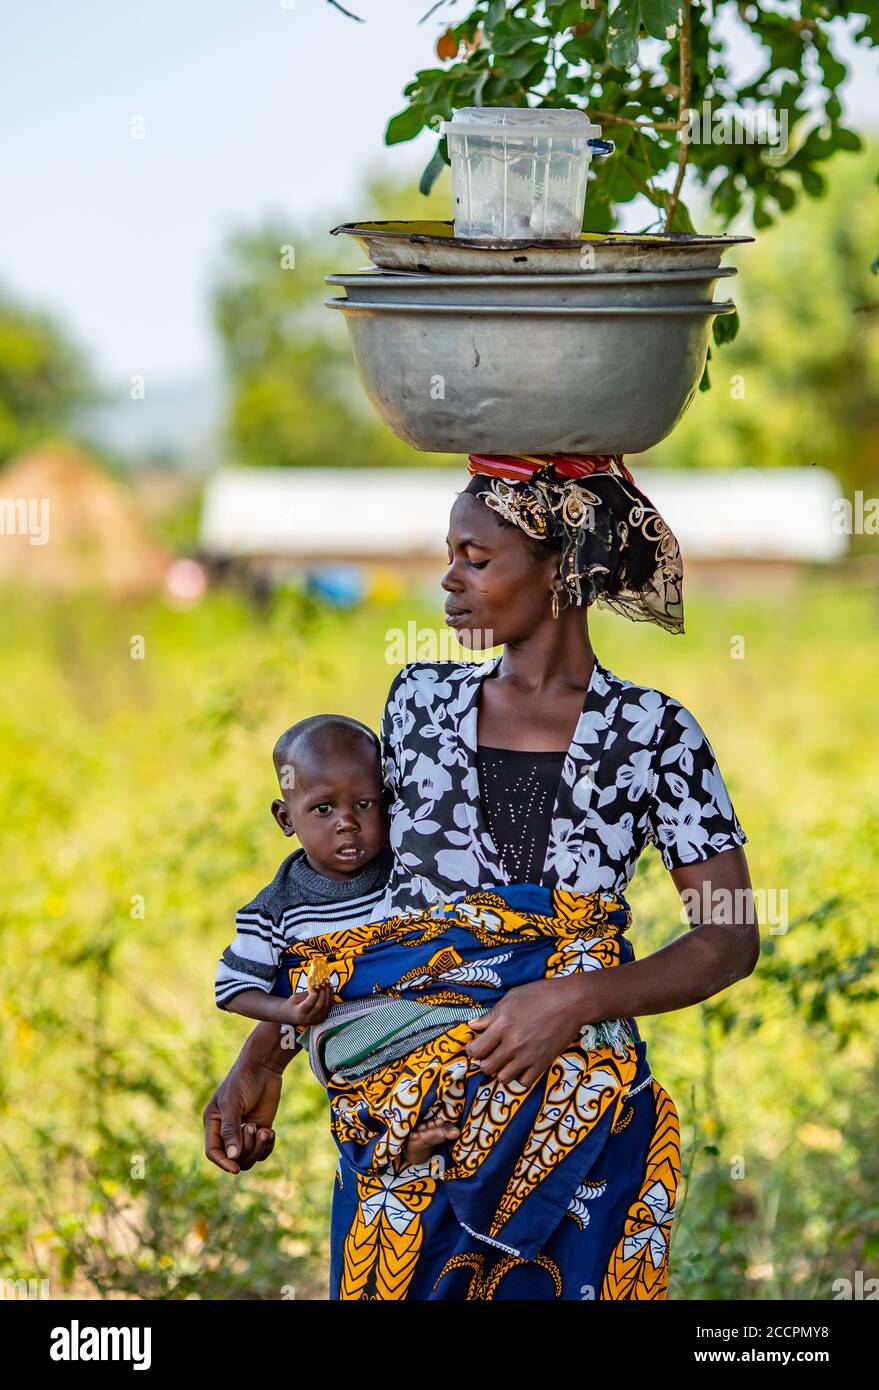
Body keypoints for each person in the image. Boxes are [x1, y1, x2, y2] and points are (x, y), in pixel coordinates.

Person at [203, 453, 760, 1300]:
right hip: (409, 1125)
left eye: (475, 558)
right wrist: (266, 1053)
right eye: (449, 556)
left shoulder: (652, 733)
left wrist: (572, 1000)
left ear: (561, 568)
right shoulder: (418, 705)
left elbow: (727, 937)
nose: (447, 581)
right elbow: (380, 929)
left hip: (575, 1120)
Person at [214, 711, 458, 1166]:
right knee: (352, 1071)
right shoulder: (276, 906)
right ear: (285, 818)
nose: (346, 822)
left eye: (363, 805)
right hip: (345, 1034)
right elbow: (232, 989)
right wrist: (286, 1010)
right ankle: (395, 1138)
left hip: (417, 1020)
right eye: (323, 809)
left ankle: (417, 1128)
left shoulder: (406, 871)